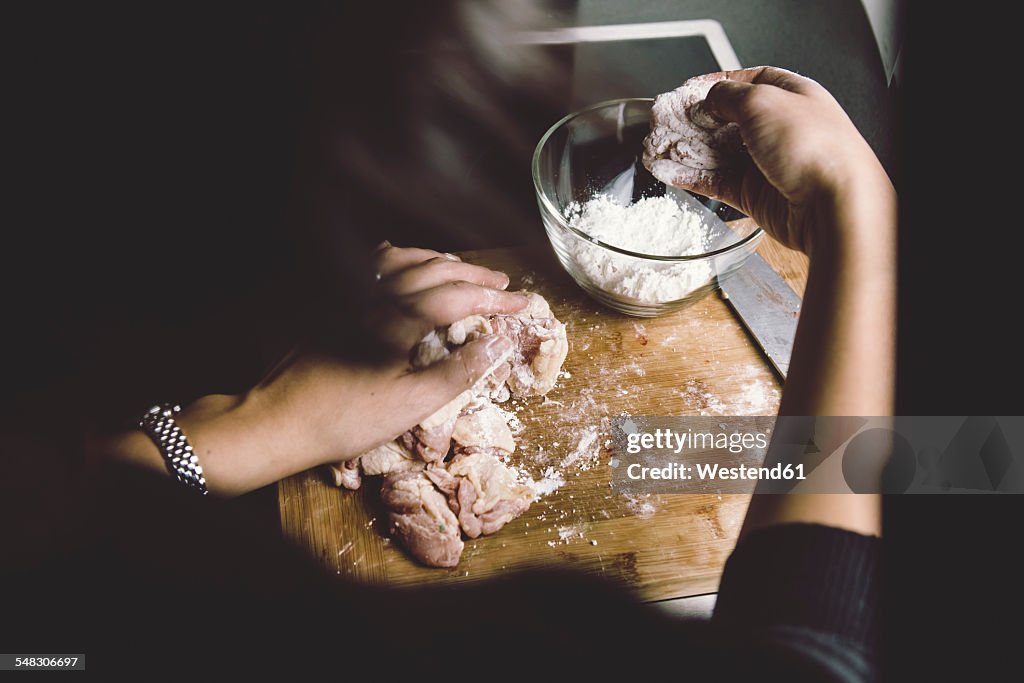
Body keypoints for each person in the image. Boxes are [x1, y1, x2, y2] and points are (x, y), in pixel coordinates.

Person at [10, 65, 882, 679]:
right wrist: (859, 213)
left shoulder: (70, 590)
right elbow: (813, 653)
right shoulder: (453, 643)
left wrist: (251, 422)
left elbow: (52, 542)